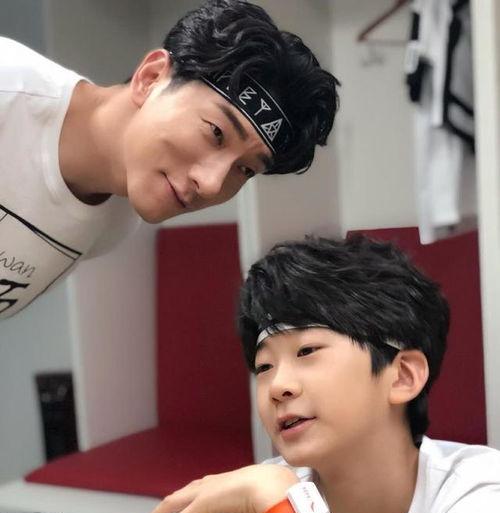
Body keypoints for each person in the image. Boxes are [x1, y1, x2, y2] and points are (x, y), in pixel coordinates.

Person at [60, 234, 500, 513]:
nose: (277, 386)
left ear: (402, 376)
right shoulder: (268, 491)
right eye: (264, 366)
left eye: (307, 351)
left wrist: (286, 511)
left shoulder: (476, 491)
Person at [0, 0, 339, 318]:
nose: (211, 185)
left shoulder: (114, 223)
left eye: (245, 169)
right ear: (151, 78)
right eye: (216, 133)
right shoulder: (7, 86)